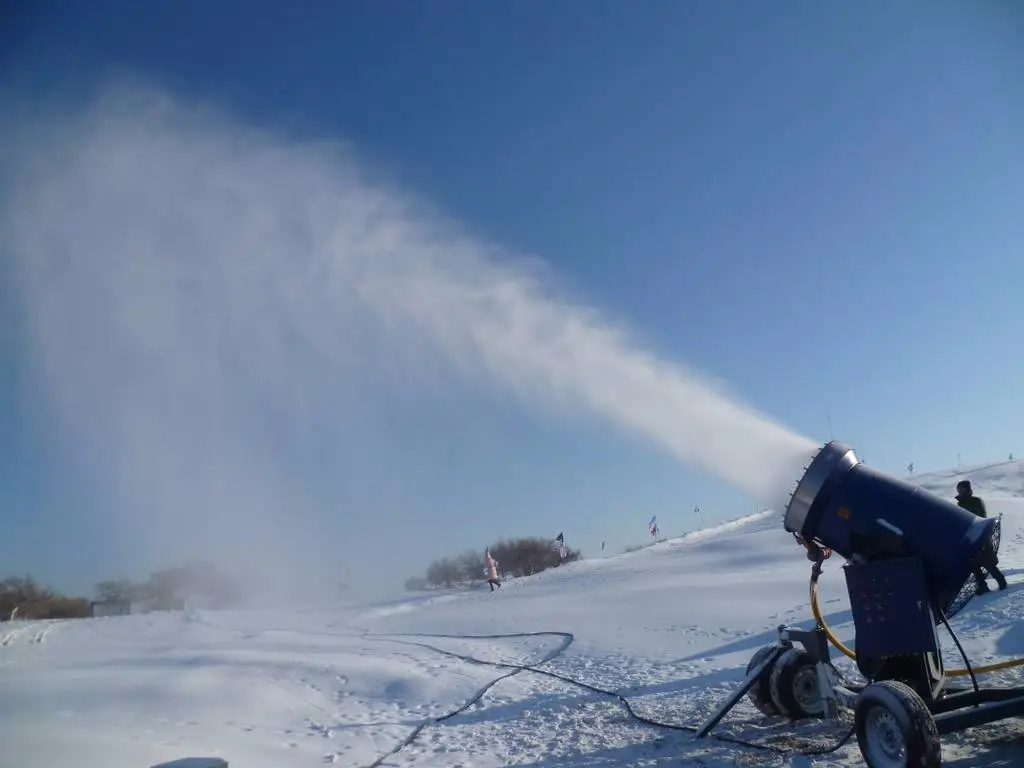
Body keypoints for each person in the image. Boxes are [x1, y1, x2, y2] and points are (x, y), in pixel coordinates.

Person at [956, 480, 1007, 593]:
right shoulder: (960, 504)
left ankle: (1001, 581)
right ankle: (982, 586)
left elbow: (980, 517)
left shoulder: (976, 501)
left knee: (987, 561)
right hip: (968, 537)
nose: (959, 491)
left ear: (966, 489)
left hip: (980, 535)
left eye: (961, 488)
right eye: (958, 489)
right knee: (973, 564)